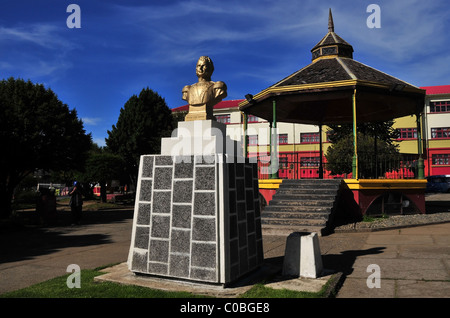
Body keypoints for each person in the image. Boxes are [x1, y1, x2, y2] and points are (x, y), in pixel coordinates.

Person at [182, 56, 227, 121]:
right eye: (198, 66)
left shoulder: (217, 86)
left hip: (207, 115)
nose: (200, 68)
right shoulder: (188, 89)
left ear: (210, 69)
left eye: (204, 66)